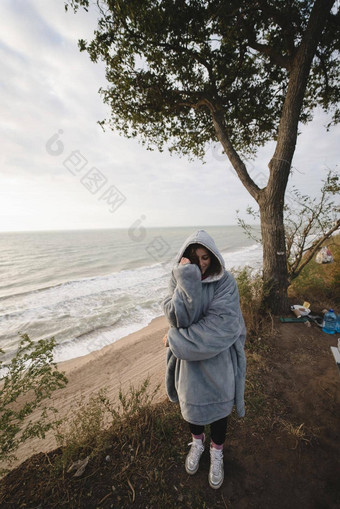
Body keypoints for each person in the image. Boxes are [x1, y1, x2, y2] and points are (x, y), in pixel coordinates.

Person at [162, 229, 246, 489]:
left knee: (220, 412)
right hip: (189, 368)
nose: (201, 264)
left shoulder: (225, 282)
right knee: (193, 411)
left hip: (219, 363)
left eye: (206, 258)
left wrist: (175, 340)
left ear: (214, 257)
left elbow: (221, 329)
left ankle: (217, 451)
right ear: (185, 258)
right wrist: (187, 280)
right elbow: (178, 319)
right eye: (195, 258)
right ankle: (197, 444)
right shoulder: (179, 277)